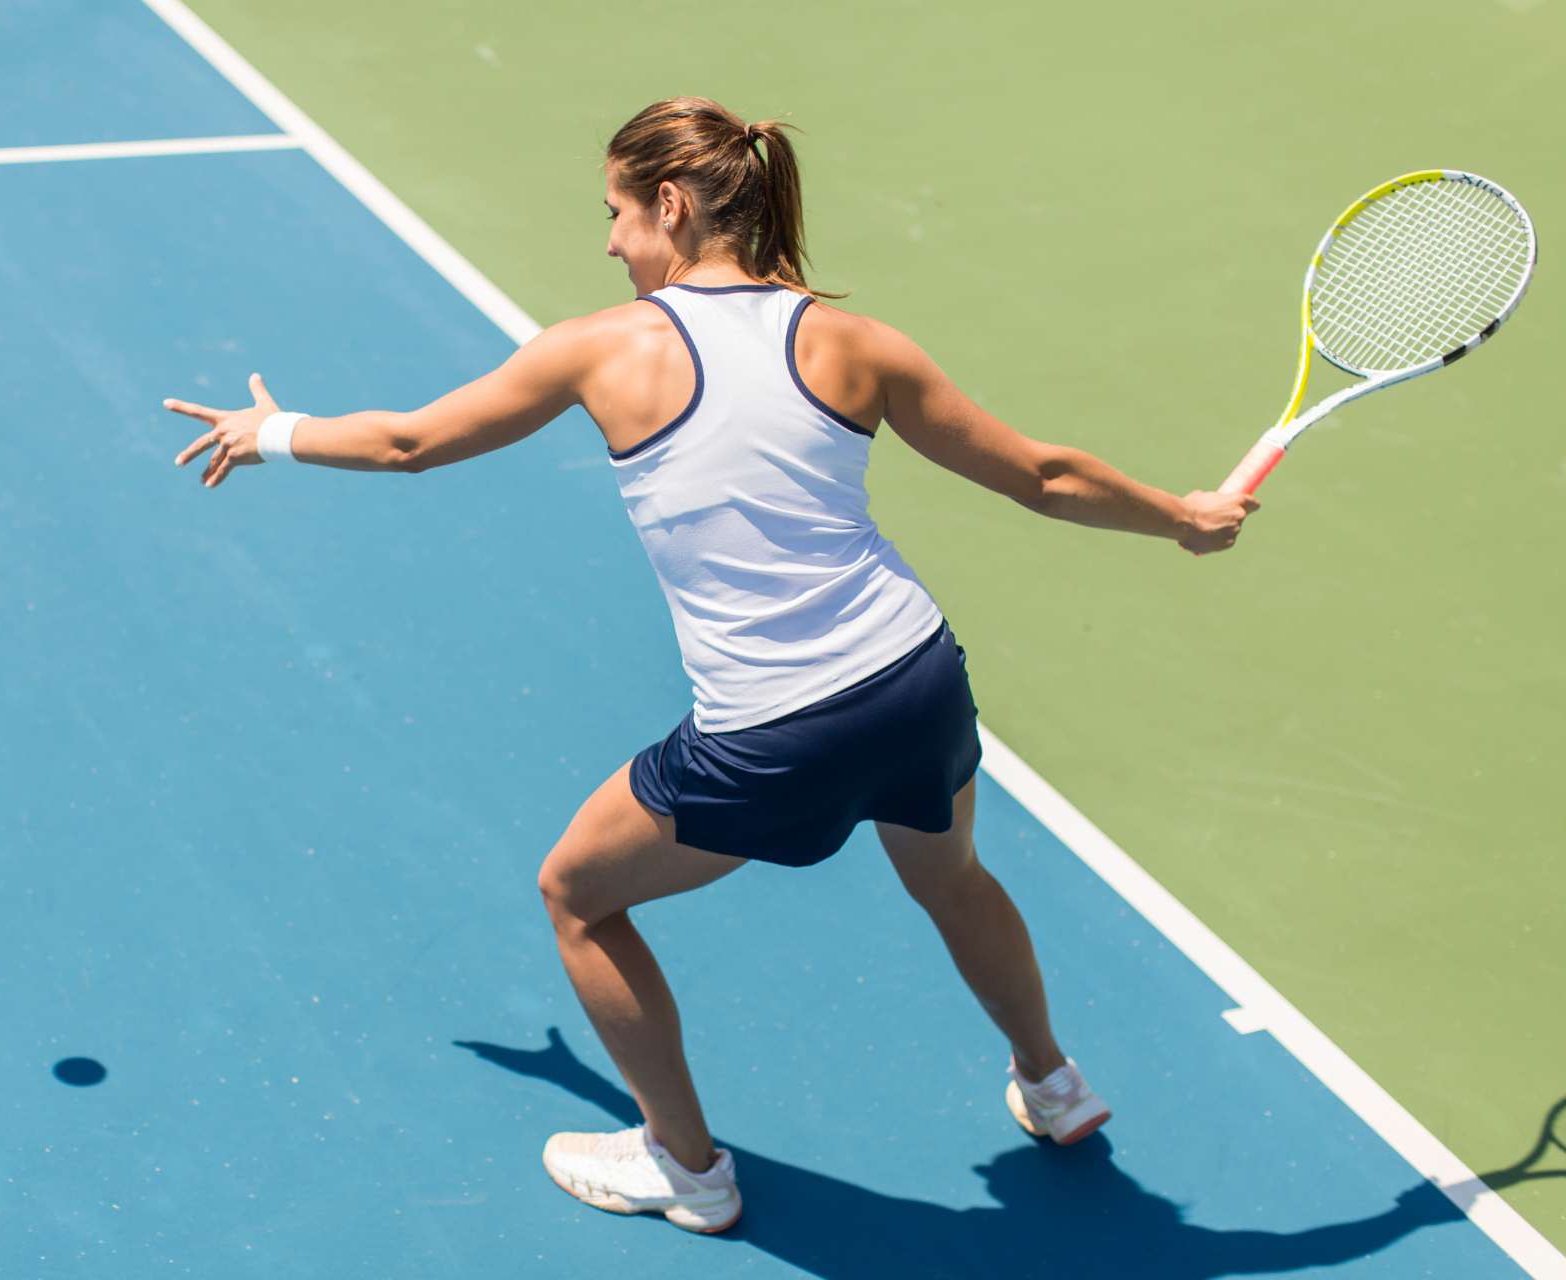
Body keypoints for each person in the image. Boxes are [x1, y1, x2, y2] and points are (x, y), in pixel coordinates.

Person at [166, 95, 1257, 1236]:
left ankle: (687, 1168)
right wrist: (1180, 516)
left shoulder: (603, 346)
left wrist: (274, 431)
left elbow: (408, 442)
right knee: (951, 876)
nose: (609, 242)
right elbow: (1043, 474)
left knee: (576, 895)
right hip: (914, 675)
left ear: (672, 207)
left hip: (775, 728)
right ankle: (1054, 1080)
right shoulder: (853, 340)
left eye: (618, 214)